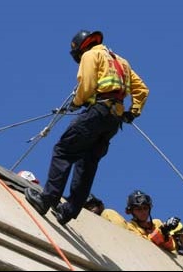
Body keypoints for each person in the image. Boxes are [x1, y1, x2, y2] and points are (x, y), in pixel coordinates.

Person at [24, 29, 149, 225]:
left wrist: (77, 102)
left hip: (96, 112)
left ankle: (47, 199)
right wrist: (132, 112)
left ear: (80, 49)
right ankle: (69, 211)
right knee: (87, 162)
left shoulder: (91, 55)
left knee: (63, 150)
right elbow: (142, 89)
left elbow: (87, 83)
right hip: (113, 120)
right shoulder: (122, 62)